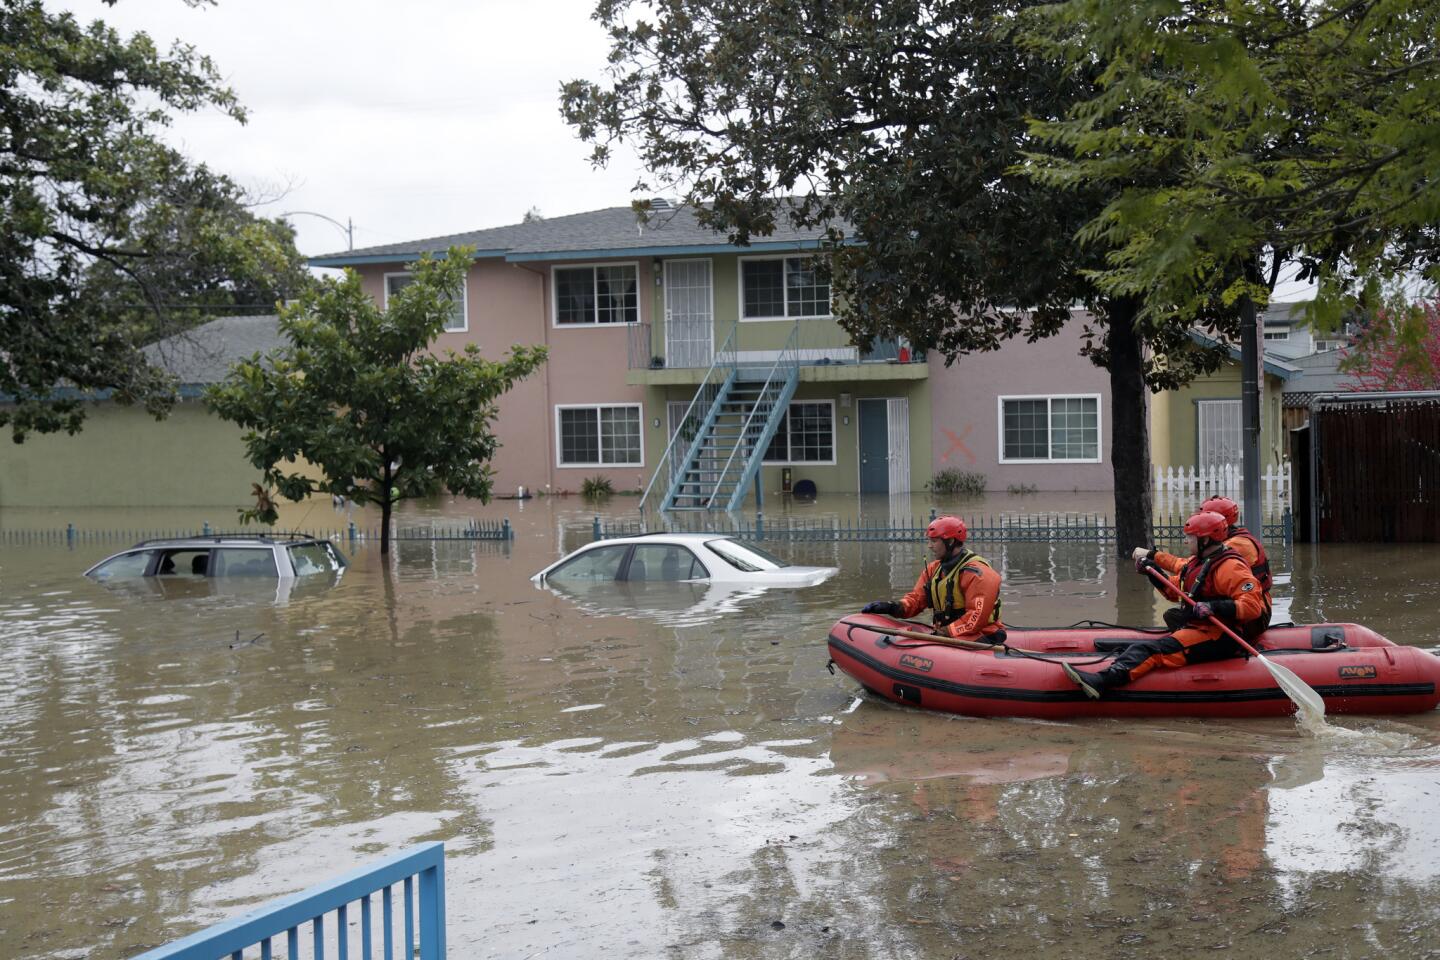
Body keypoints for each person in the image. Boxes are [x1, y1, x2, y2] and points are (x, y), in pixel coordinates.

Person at [1064, 510, 1268, 698]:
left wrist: (1214, 607)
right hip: (1199, 628)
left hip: (1221, 636)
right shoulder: (1197, 562)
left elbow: (1252, 607)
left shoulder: (1230, 567)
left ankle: (1102, 681)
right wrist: (1153, 573)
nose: (1187, 541)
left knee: (1150, 650)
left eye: (1191, 537)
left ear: (1205, 539)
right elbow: (1175, 591)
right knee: (1143, 646)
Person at [1132, 495, 1273, 637]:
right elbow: (1189, 573)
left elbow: (1187, 568)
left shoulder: (1231, 546)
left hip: (1254, 616)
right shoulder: (1224, 542)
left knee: (1182, 616)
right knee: (1176, 614)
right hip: (1245, 607)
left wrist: (1153, 556)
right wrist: (1154, 573)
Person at [861, 516, 1005, 643]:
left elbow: (976, 617)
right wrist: (892, 607)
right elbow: (916, 600)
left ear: (951, 541)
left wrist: (946, 632)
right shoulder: (933, 569)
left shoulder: (977, 573)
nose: (929, 546)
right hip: (950, 634)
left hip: (981, 636)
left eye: (934, 541)